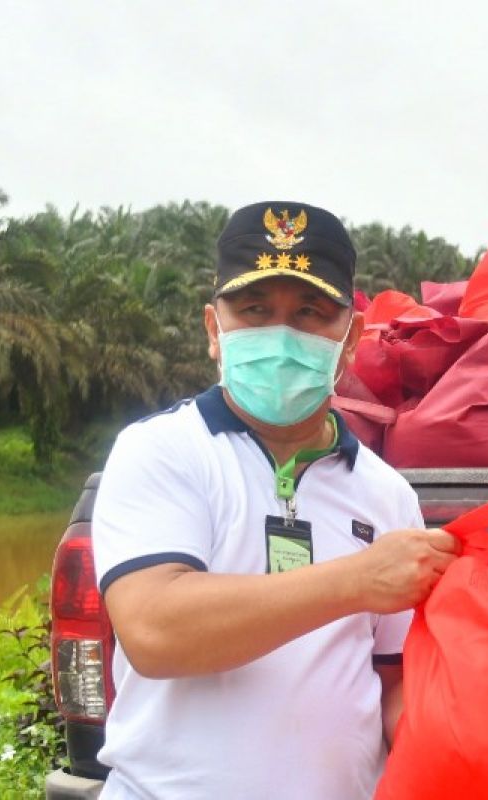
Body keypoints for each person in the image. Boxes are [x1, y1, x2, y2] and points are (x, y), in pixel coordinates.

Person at [90, 201, 459, 800]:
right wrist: (357, 580)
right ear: (215, 330)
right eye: (256, 310)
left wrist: (453, 755)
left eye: (311, 313)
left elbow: (395, 683)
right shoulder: (162, 452)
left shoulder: (386, 494)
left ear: (351, 340)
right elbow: (155, 630)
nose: (282, 336)